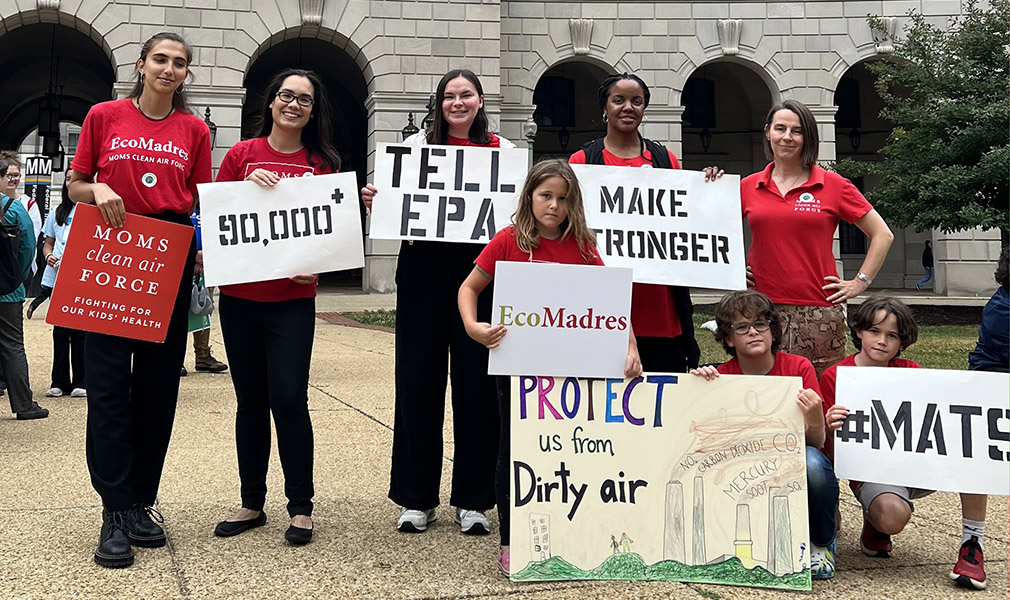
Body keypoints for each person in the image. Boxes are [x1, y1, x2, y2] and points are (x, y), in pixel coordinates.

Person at [67, 32, 212, 568]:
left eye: (179, 63)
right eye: (161, 60)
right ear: (142, 65)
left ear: (186, 74)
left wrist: (202, 250)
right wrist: (97, 189)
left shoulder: (194, 130)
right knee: (107, 387)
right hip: (108, 248)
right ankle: (112, 508)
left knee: (157, 389)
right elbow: (75, 185)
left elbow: (199, 200)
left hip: (166, 254)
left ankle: (138, 503)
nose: (169, 69)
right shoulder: (104, 116)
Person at [457, 159, 642, 575]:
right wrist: (473, 326)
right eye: (546, 196)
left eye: (562, 198)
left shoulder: (582, 247)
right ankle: (511, 539)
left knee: (568, 452)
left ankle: (569, 534)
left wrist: (630, 345)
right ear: (530, 198)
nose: (554, 206)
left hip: (572, 370)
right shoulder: (508, 242)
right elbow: (469, 288)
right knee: (513, 451)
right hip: (518, 368)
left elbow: (611, 301)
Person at [362, 69, 515, 536]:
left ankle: (473, 499)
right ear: (439, 103)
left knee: (478, 385)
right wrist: (377, 199)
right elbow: (395, 204)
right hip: (424, 270)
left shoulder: (503, 154)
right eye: (449, 96)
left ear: (481, 100)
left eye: (466, 94)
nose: (457, 103)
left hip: (485, 273)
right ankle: (416, 496)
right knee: (417, 381)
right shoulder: (412, 153)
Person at [211, 68, 340, 546]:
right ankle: (251, 502)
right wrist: (247, 187)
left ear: (312, 111)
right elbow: (217, 214)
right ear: (271, 103)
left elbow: (331, 230)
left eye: (304, 100)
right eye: (286, 95)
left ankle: (301, 506)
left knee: (289, 397)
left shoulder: (320, 161)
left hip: (291, 302)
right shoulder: (242, 155)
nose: (294, 104)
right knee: (250, 402)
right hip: (242, 300)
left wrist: (318, 267)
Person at [820, 295, 991, 590]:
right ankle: (875, 521)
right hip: (871, 472)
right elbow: (835, 459)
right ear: (859, 331)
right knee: (892, 517)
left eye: (892, 335)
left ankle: (972, 545)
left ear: (903, 341)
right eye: (874, 331)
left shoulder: (911, 372)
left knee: (972, 448)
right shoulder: (837, 377)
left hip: (915, 464)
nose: (882, 341)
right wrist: (831, 427)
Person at [569, 73, 721, 374]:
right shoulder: (583, 161)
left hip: (662, 311)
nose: (628, 107)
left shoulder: (667, 161)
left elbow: (691, 218)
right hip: (603, 309)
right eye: (619, 100)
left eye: (636, 101)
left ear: (644, 109)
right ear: (605, 108)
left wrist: (710, 185)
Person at [691, 290, 838, 580]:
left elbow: (817, 444)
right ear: (728, 338)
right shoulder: (721, 376)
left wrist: (814, 419)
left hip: (792, 455)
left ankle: (821, 541)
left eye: (761, 324)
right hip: (741, 462)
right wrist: (700, 387)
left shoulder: (798, 368)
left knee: (814, 465)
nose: (754, 332)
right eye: (741, 327)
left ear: (773, 331)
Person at [741, 99, 894, 377]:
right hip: (761, 309)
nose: (787, 137)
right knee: (766, 394)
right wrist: (729, 270)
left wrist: (860, 282)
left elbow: (882, 234)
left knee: (821, 390)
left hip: (819, 310)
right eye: (780, 128)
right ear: (767, 132)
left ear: (808, 137)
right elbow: (712, 231)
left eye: (796, 131)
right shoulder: (748, 186)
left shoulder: (833, 185)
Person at [0, 158, 47, 420]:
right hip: (8, 290)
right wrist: (17, 276)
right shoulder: (15, 208)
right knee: (12, 345)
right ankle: (24, 405)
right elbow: (29, 245)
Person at [36, 184, 86, 398]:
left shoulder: (93, 210)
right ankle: (59, 381)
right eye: (66, 179)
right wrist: (48, 257)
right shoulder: (58, 212)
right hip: (58, 277)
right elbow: (48, 243)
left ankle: (82, 380)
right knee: (60, 331)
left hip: (83, 280)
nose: (69, 183)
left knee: (80, 333)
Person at [180, 208, 227, 376]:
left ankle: (203, 355)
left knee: (203, 307)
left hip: (206, 263)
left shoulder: (208, 206)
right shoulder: (182, 205)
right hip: (179, 261)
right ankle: (177, 358)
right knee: (177, 312)